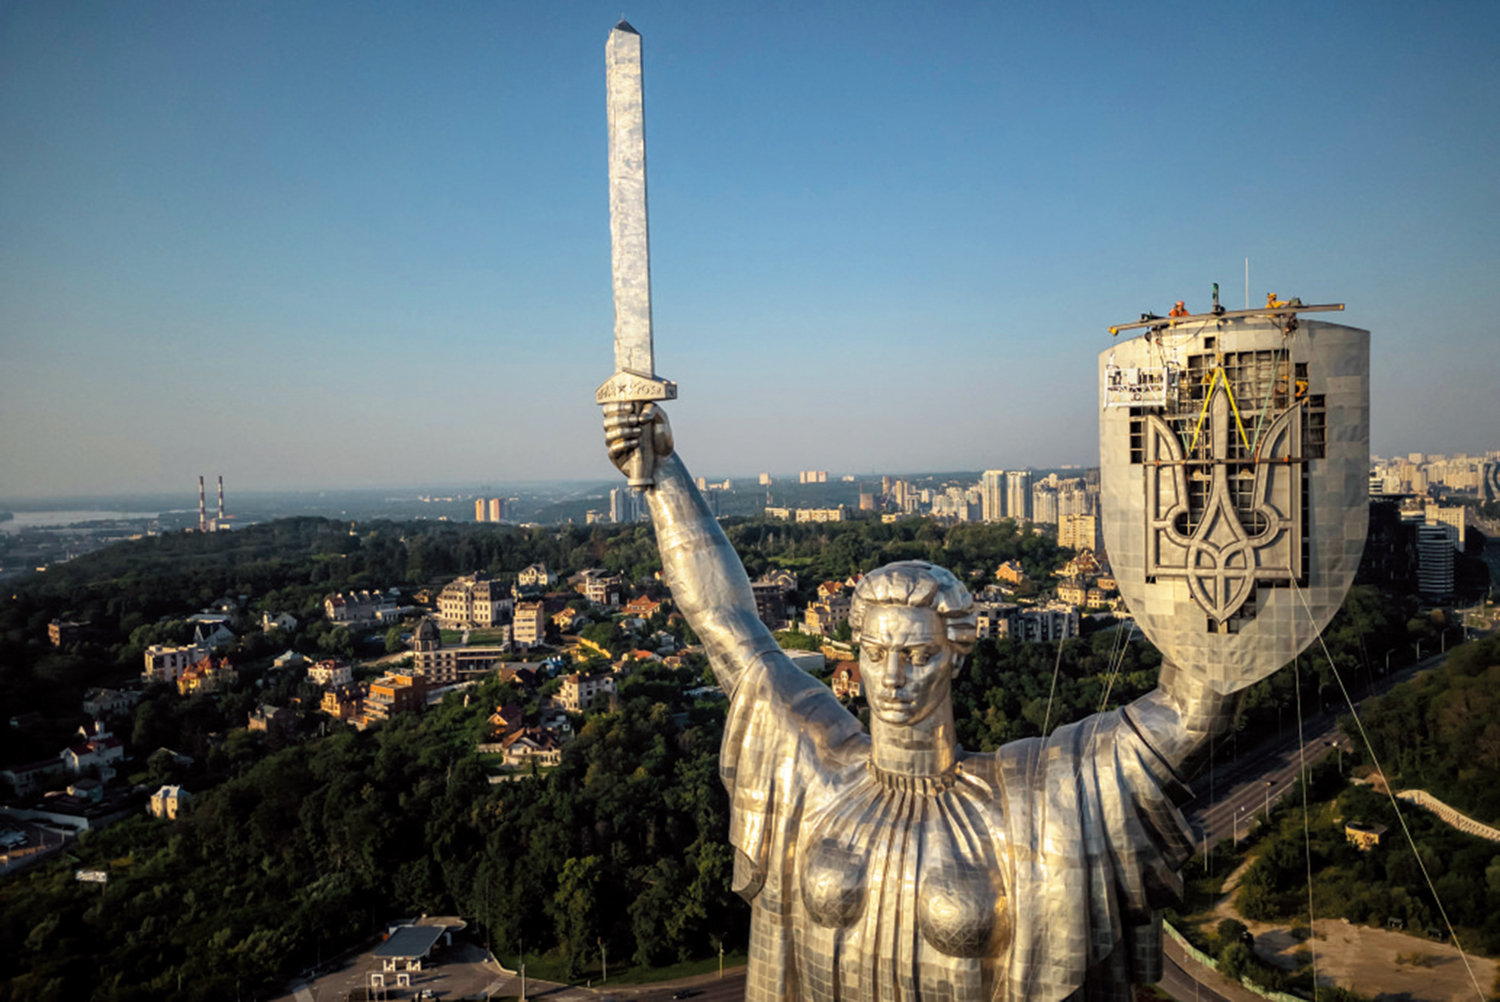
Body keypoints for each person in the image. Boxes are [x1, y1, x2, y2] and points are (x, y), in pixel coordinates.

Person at [603, 405, 1233, 1001]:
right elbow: (724, 618)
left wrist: (1210, 505)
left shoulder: (1030, 802)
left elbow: (1190, 713)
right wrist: (661, 473)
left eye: (918, 656)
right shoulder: (813, 769)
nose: (891, 679)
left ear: (956, 656)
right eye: (874, 655)